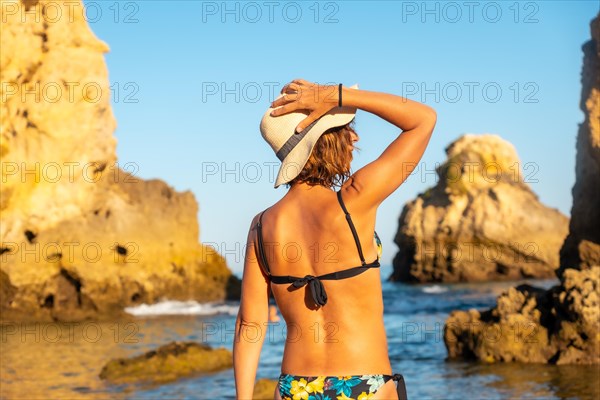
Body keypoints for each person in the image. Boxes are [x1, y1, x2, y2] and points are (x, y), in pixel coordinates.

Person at [233, 78, 437, 400]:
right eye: (344, 129)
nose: (354, 137)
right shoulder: (355, 199)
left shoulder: (261, 227)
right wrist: (338, 95)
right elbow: (422, 120)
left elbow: (250, 324)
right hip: (364, 386)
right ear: (324, 142)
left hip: (294, 388)